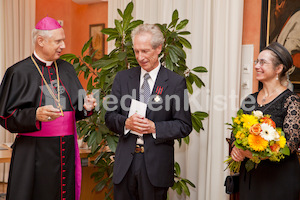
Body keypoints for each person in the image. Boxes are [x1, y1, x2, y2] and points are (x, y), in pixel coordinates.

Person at [0, 16, 96, 200]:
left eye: (63, 40)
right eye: (58, 41)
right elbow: (5, 116)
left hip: (65, 151)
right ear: (41, 41)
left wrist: (87, 106)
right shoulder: (18, 72)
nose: (63, 46)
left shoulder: (67, 69)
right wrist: (34, 115)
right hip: (33, 153)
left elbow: (76, 108)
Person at [105, 24, 192, 200]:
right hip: (125, 164)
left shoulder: (175, 83)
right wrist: (126, 123)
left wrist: (155, 128)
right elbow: (109, 116)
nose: (140, 57)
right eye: (137, 51)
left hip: (155, 166)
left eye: (145, 51)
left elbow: (184, 125)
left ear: (159, 48)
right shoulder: (123, 79)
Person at [230, 42, 300, 200]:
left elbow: (291, 144)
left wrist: (256, 155)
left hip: (279, 179)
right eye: (257, 61)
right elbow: (235, 134)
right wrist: (236, 148)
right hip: (251, 179)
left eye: (263, 62)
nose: (256, 66)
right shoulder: (249, 100)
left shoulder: (291, 101)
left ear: (278, 69)